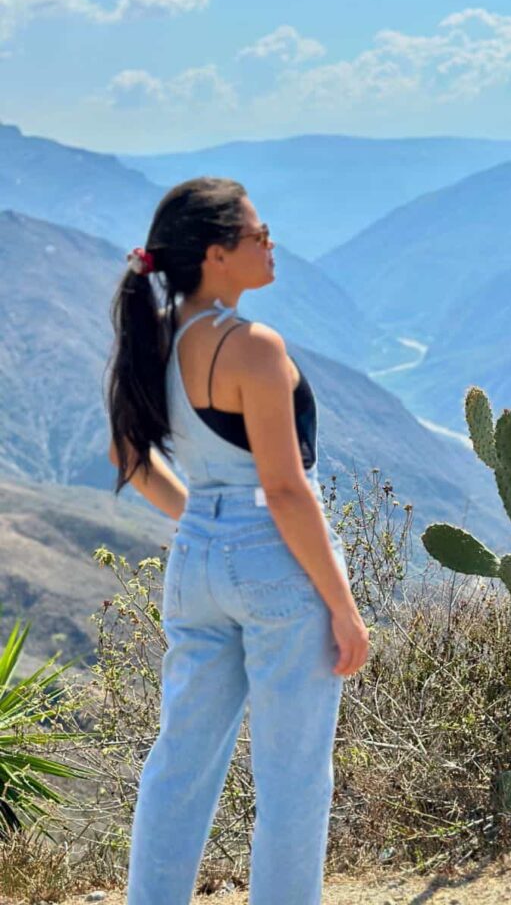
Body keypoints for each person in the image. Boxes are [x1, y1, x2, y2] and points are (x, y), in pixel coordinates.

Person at [105, 176, 369, 905]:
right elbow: (286, 491)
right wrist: (343, 608)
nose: (270, 243)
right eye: (258, 234)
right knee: (292, 776)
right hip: (273, 563)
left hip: (195, 560)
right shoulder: (252, 346)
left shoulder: (156, 339)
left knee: (181, 761)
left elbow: (128, 459)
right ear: (217, 253)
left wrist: (206, 520)